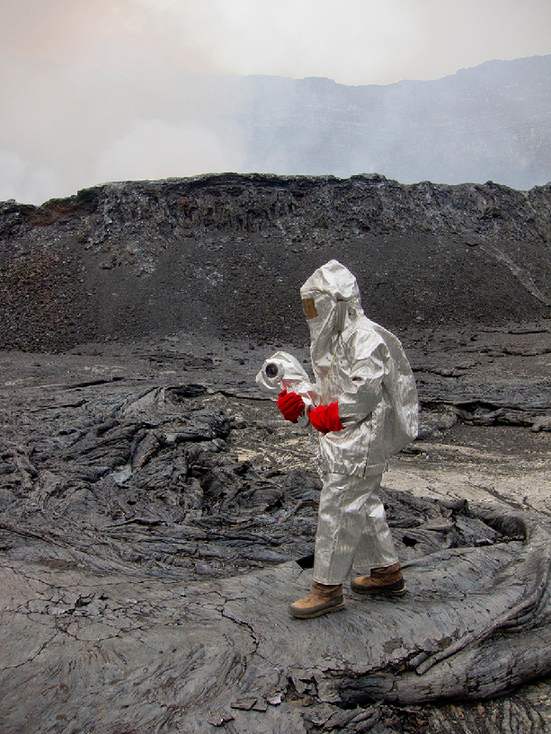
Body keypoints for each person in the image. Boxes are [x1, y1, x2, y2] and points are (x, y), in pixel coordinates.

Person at [277, 260, 418, 619]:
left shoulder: (364, 338)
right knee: (364, 503)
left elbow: (364, 392)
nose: (314, 313)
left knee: (338, 505)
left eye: (317, 304)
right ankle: (387, 572)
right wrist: (303, 400)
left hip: (360, 439)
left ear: (337, 301)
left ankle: (326, 588)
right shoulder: (335, 339)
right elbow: (332, 391)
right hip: (345, 438)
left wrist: (330, 415)